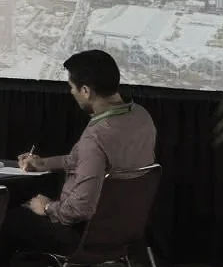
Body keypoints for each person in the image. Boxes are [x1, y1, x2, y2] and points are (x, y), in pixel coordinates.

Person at [9, 49, 157, 248]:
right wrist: (43, 163)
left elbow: (80, 209)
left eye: (72, 87)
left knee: (3, 222)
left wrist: (46, 207)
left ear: (86, 91)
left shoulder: (96, 135)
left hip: (86, 234)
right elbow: (89, 160)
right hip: (125, 227)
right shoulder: (141, 116)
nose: (71, 92)